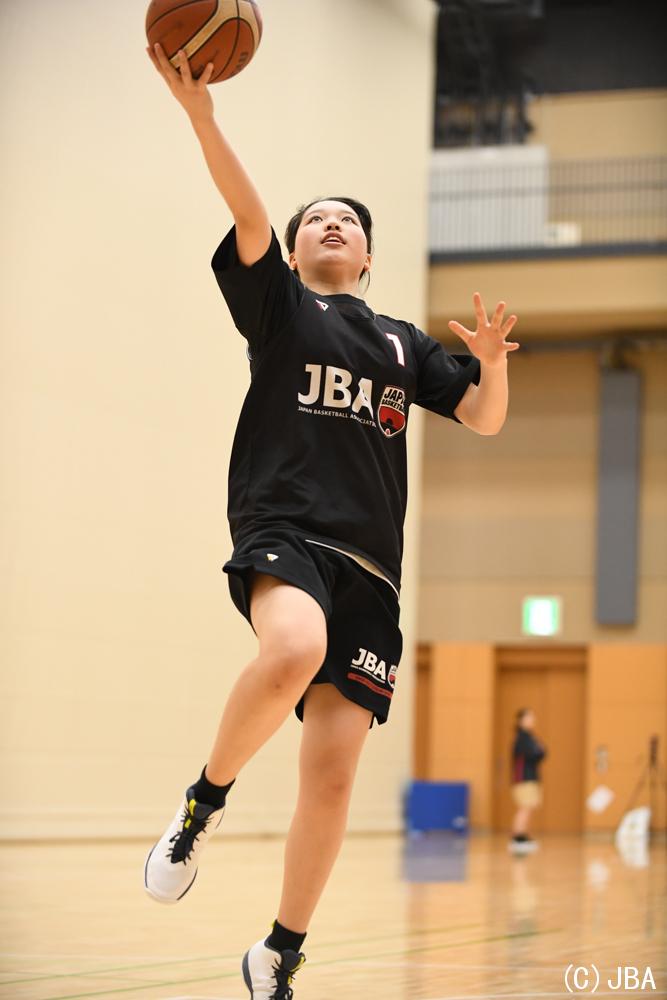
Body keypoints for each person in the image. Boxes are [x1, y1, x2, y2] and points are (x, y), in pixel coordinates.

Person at [143, 43, 520, 999]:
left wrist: (490, 362)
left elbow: (483, 417)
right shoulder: (280, 309)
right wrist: (201, 117)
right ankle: (201, 805)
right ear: (295, 249)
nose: (330, 224)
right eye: (315, 217)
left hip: (374, 573)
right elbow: (248, 212)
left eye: (347, 220)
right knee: (290, 650)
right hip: (288, 527)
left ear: (367, 254)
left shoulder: (402, 343)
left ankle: (279, 951)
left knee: (334, 778)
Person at [509, 707, 547, 854]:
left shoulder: (529, 737)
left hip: (531, 777)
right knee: (524, 807)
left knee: (529, 807)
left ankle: (523, 835)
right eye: (529, 717)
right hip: (524, 778)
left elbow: (541, 752)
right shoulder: (522, 738)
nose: (532, 720)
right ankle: (517, 837)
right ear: (521, 720)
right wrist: (539, 750)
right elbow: (535, 753)